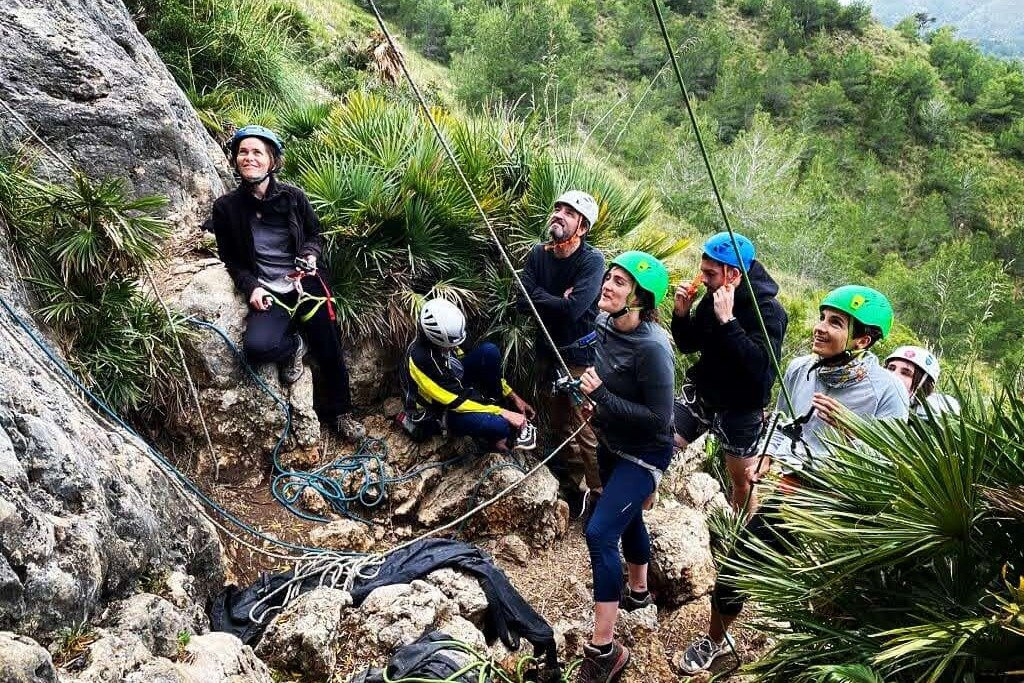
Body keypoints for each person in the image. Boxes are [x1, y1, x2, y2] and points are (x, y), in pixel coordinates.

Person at [677, 285, 909, 675]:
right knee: (736, 566)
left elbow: (890, 463)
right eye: (822, 317)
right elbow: (783, 425)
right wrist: (768, 456)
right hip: (795, 495)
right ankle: (715, 641)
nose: (820, 328)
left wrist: (854, 430)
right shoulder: (801, 370)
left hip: (849, 509)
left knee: (829, 602)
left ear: (863, 340)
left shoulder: (887, 392)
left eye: (835, 323)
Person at [208, 125, 364, 442]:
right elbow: (232, 260)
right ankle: (294, 346)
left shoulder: (293, 198)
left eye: (257, 152)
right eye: (243, 152)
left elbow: (313, 235)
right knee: (258, 348)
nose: (248, 158)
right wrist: (251, 286)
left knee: (330, 346)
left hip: (305, 281)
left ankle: (342, 413)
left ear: (272, 161)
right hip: (269, 288)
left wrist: (309, 254)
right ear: (236, 159)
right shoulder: (226, 208)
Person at [575, 251, 675, 683]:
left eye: (620, 282)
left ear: (639, 297)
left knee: (599, 532)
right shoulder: (604, 324)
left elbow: (660, 419)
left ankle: (604, 649)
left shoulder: (653, 348)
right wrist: (587, 397)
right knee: (627, 514)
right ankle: (638, 593)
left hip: (645, 453)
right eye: (609, 278)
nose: (608, 286)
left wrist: (601, 399)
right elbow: (602, 374)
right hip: (612, 441)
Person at [671, 232, 787, 515]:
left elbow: (760, 369)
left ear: (733, 274)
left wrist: (729, 322)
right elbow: (690, 345)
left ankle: (741, 539)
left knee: (742, 480)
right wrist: (681, 316)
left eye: (710, 273)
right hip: (704, 392)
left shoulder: (768, 312)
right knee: (662, 442)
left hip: (742, 406)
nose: (704, 279)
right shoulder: (712, 298)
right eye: (703, 271)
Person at [518, 191, 604, 513]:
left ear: (582, 227)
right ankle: (570, 486)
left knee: (586, 429)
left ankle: (598, 494)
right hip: (548, 354)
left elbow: (573, 311)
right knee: (559, 423)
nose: (559, 214)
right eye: (558, 208)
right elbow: (520, 301)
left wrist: (538, 294)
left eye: (568, 212)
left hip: (579, 358)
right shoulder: (538, 255)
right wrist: (558, 299)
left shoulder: (591, 262)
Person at [402, 297, 537, 452]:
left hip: (452, 384)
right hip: (436, 411)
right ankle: (497, 437)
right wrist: (504, 414)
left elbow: (464, 366)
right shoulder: (423, 360)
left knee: (489, 352)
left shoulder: (450, 335)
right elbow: (457, 400)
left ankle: (495, 404)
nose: (455, 346)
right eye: (449, 345)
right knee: (500, 426)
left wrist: (512, 395)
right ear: (436, 340)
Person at [885, 345, 961, 417]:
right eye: (891, 369)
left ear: (924, 384)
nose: (894, 375)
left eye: (906, 373)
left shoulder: (935, 412)